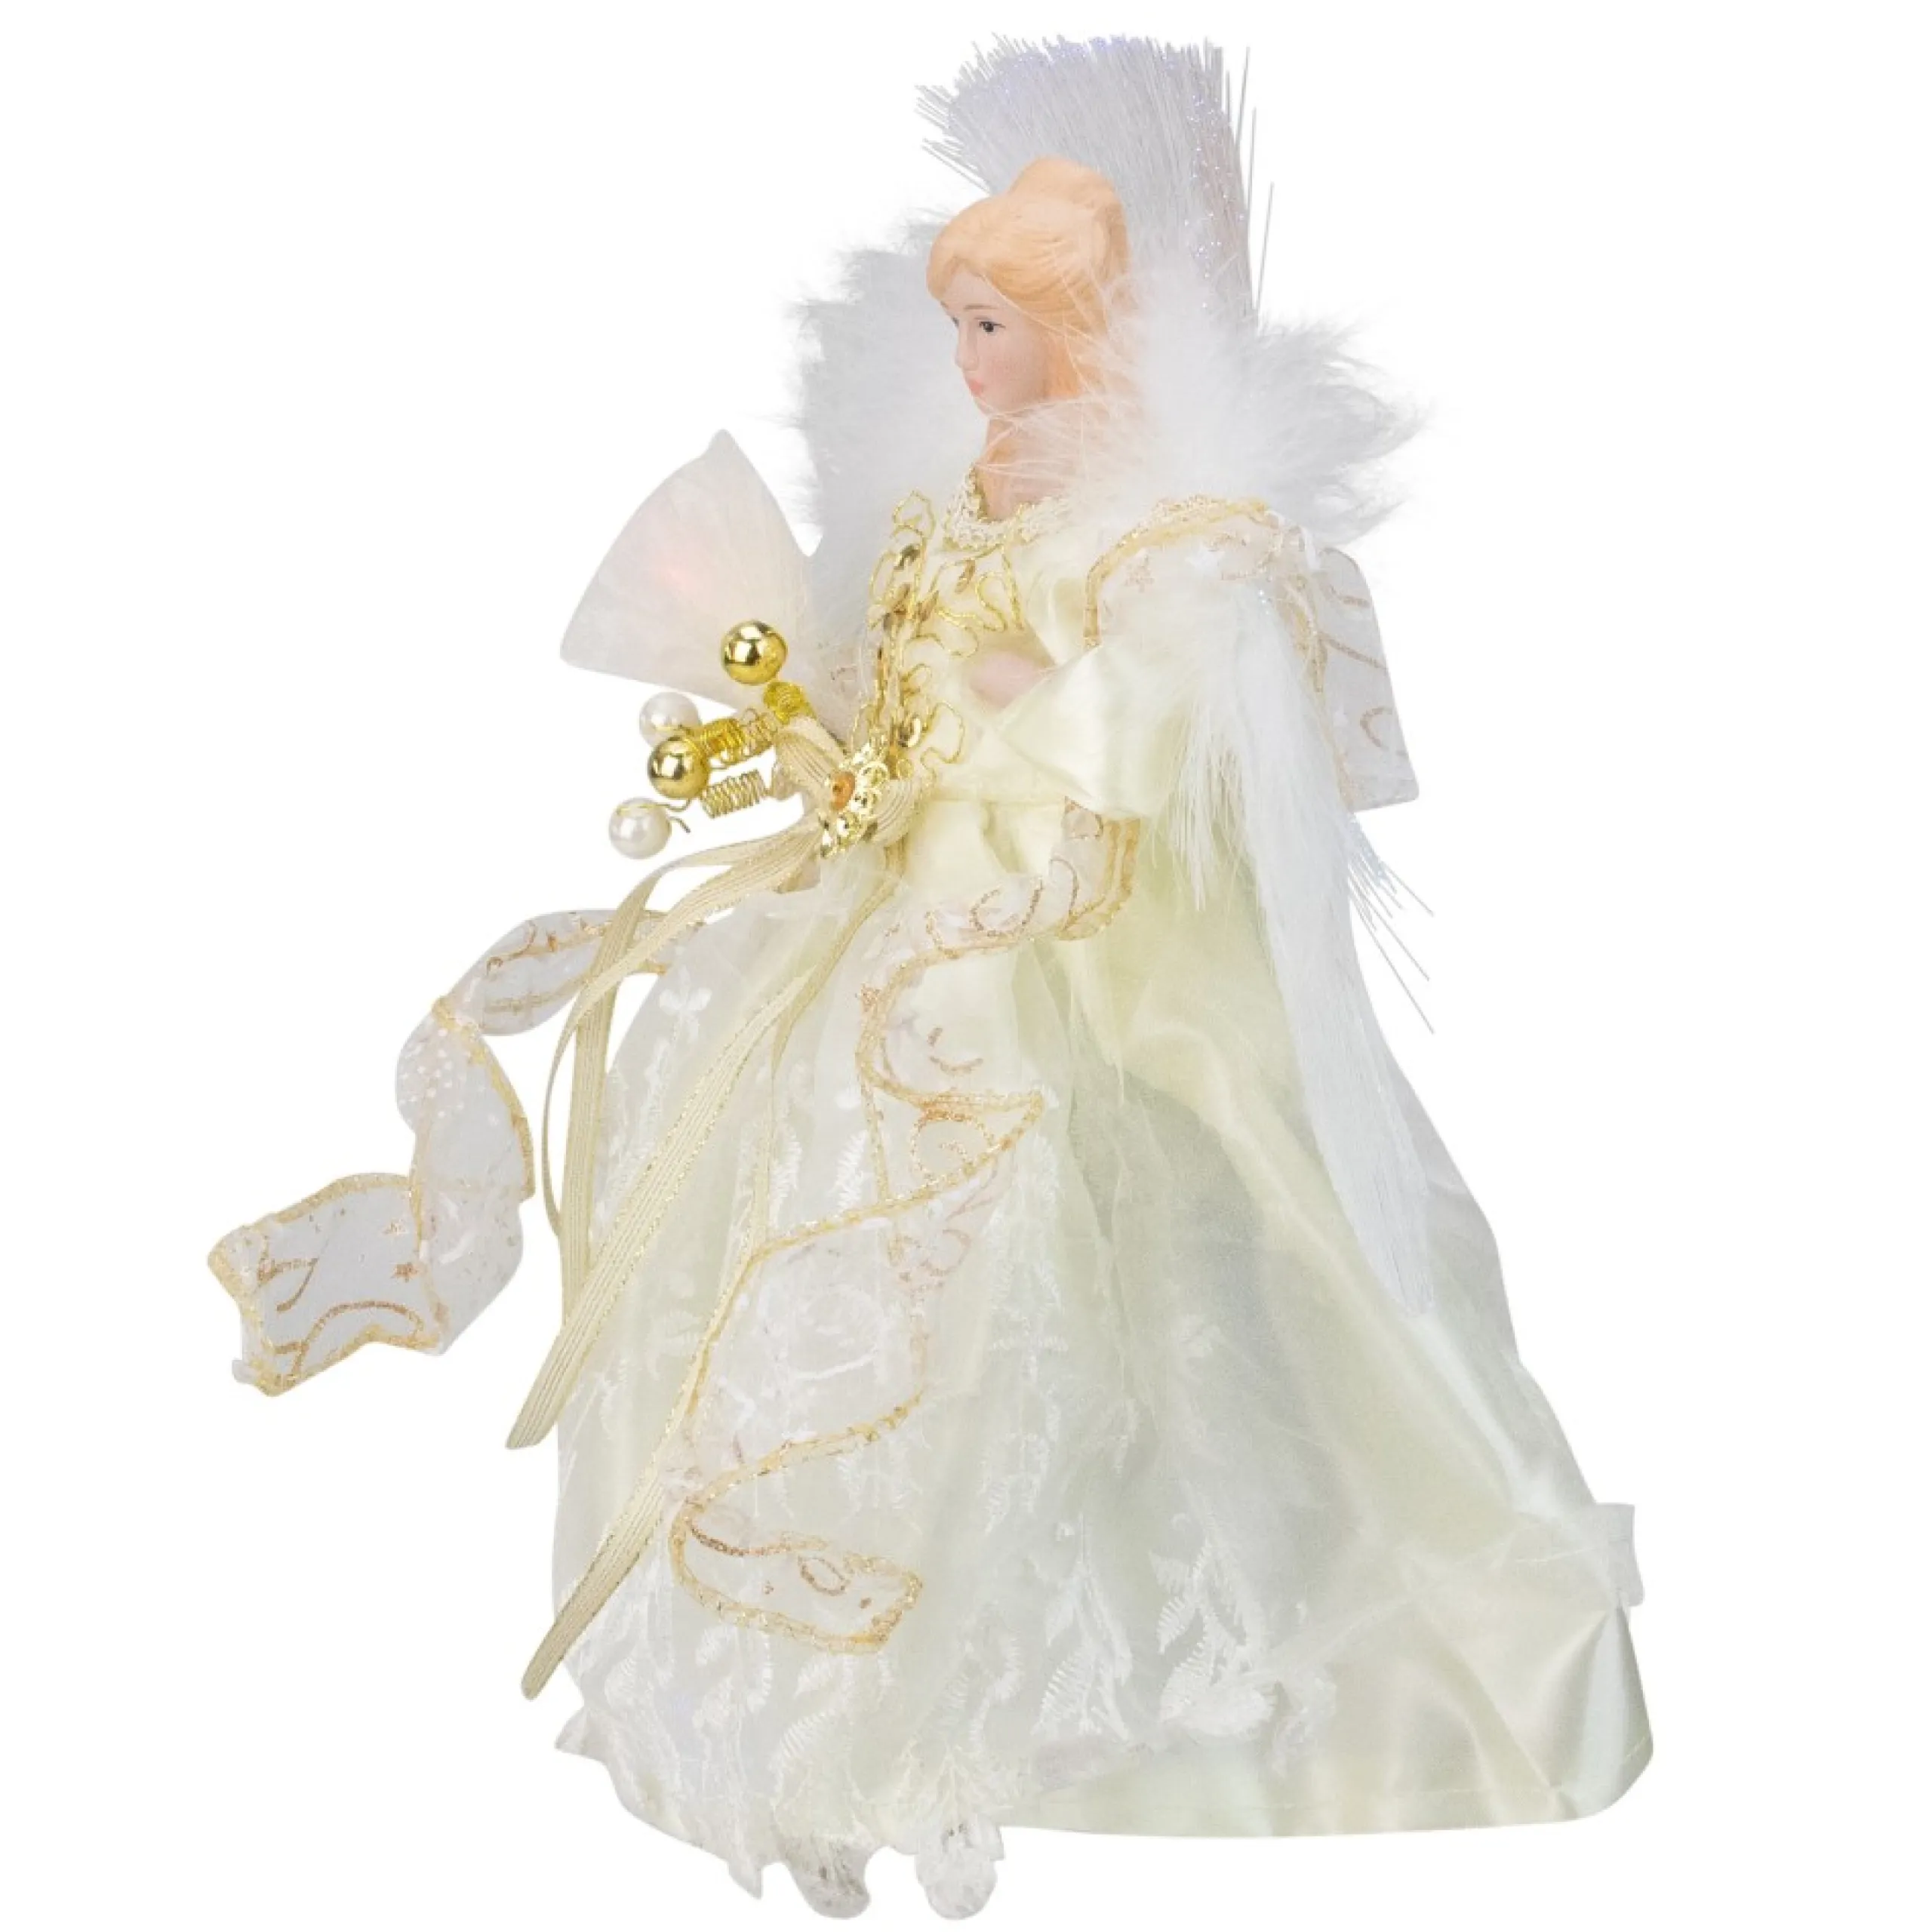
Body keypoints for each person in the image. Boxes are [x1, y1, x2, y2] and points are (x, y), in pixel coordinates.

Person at [207, 38, 1650, 1920]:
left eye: (991, 328)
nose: (967, 364)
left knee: (1083, 1219)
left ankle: (1085, 1673)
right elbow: (890, 659)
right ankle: (824, 1699)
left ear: (1068, 336)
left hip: (1045, 913)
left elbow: (1157, 721)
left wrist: (1021, 707)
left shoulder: (1155, 530)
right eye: (955, 328)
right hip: (893, 885)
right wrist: (814, 725)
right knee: (756, 1145)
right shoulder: (954, 492)